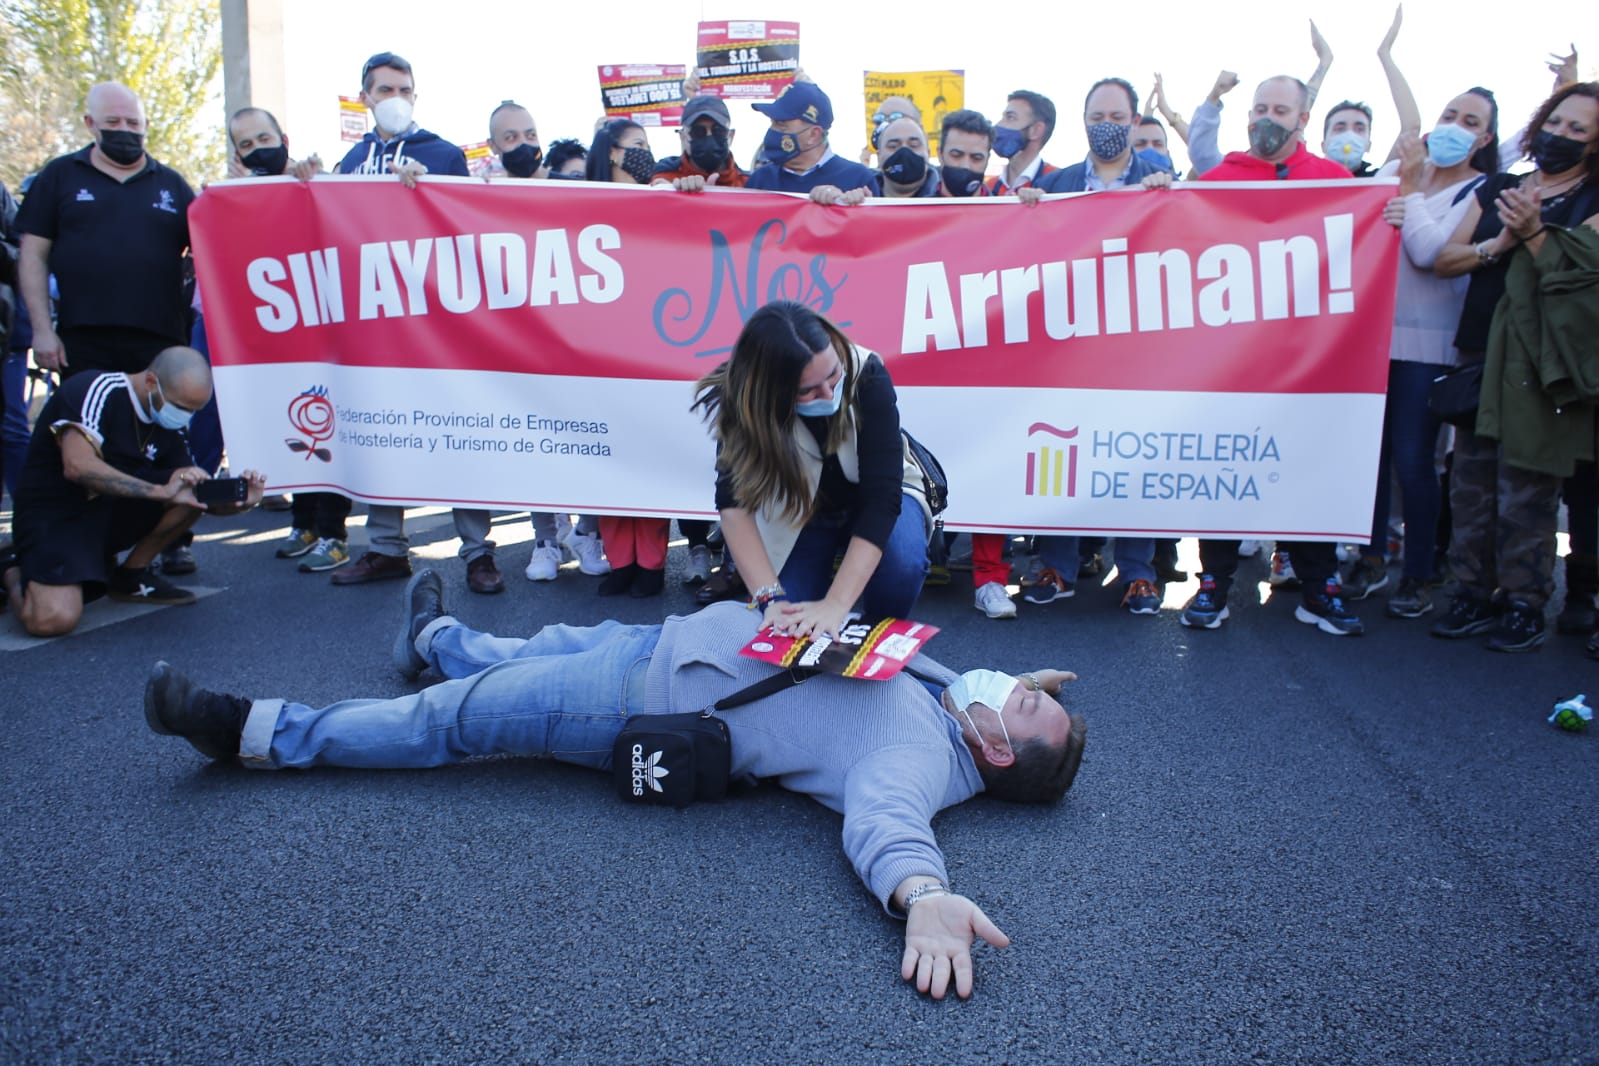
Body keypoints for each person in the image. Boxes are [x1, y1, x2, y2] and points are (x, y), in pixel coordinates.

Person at [142, 574, 1088, 1000]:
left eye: (1018, 703)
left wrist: (921, 897)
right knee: (518, 652)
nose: (1006, 686)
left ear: (997, 754)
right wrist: (1025, 689)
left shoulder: (917, 762)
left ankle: (250, 731)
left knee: (453, 720)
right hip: (661, 646)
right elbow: (955, 680)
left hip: (629, 702)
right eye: (1018, 688)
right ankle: (426, 642)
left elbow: (887, 829)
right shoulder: (949, 704)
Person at [1179, 75, 1372, 636]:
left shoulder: (1336, 183)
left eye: (1280, 109)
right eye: (1259, 107)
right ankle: (1213, 582)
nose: (1267, 118)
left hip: (1309, 362)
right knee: (1223, 467)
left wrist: (1390, 220)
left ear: (1303, 120)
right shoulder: (1222, 179)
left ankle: (1319, 587)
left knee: (1308, 470)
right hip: (1235, 360)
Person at [1430, 81, 1599, 653]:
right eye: (1557, 122)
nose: (1562, 136)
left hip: (1539, 364)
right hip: (1479, 352)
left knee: (1527, 488)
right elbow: (1446, 258)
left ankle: (1525, 602)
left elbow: (1578, 277)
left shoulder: (1592, 199)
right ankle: (1471, 593)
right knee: (1471, 482)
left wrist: (1533, 232)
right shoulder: (1502, 186)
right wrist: (1500, 242)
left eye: (1579, 129)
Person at [329, 52, 503, 594]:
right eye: (384, 89)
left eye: (405, 88)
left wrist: (429, 191)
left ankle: (477, 553)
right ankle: (384, 547)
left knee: (459, 432)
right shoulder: (350, 163)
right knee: (381, 430)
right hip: (375, 323)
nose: (395, 98)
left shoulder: (442, 153)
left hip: (436, 322)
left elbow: (466, 228)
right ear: (365, 97)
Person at [1341, 87, 1501, 619]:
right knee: (1371, 463)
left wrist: (1407, 189)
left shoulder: (1478, 190)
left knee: (1414, 461)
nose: (1454, 126)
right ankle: (1369, 559)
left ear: (1486, 139)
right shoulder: (1396, 170)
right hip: (1371, 342)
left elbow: (1430, 252)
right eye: (1449, 114)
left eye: (1470, 121)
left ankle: (1417, 573)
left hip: (1428, 349)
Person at [692, 302, 932, 640]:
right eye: (808, 391)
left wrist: (836, 605)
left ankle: (875, 637)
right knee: (787, 626)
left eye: (834, 375)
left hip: (877, 499)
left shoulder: (868, 372)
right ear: (770, 391)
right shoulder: (743, 401)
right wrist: (770, 598)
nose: (829, 392)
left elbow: (882, 500)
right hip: (800, 511)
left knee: (903, 563)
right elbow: (733, 508)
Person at [2, 347, 266, 636]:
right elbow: (77, 467)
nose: (184, 417)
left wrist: (240, 503)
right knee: (53, 620)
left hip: (108, 512)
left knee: (188, 488)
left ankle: (130, 576)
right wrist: (159, 491)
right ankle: (11, 569)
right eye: (181, 407)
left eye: (193, 411)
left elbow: (193, 494)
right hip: (57, 517)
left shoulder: (169, 422)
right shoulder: (96, 389)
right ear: (151, 381)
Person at [15, 82, 195, 384]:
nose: (124, 129)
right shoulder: (59, 176)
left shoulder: (172, 185)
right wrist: (42, 330)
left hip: (159, 342)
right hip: (82, 341)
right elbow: (32, 255)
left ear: (145, 125)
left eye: (133, 123)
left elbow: (211, 250)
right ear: (90, 124)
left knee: (150, 431)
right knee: (86, 429)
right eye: (113, 122)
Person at [744, 81, 881, 202]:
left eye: (781, 124)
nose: (773, 131)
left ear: (813, 135)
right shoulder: (761, 179)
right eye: (772, 123)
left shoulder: (858, 179)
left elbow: (872, 229)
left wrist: (848, 206)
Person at [986, 90, 1058, 195]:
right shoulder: (990, 187)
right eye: (1003, 118)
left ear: (1036, 130)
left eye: (1010, 117)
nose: (998, 125)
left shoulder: (1059, 183)